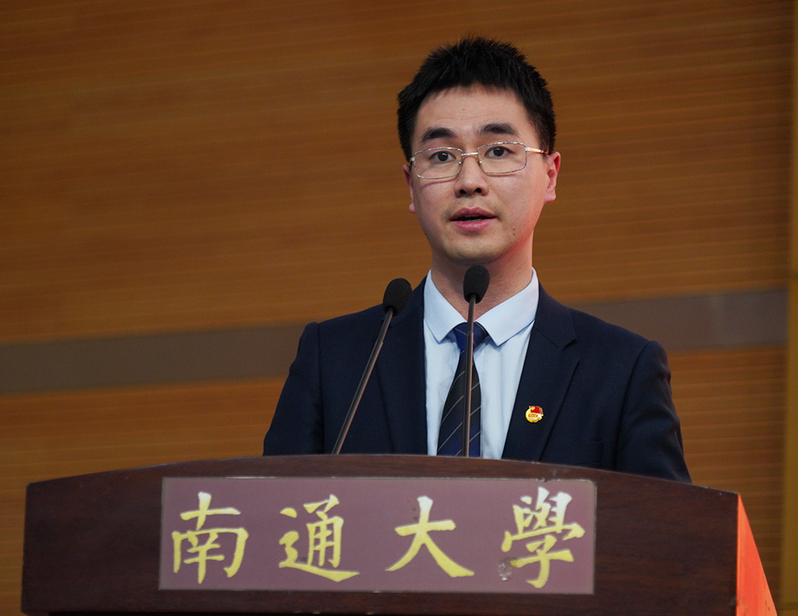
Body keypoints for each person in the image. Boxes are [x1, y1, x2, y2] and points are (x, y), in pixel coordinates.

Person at [263, 36, 690, 482]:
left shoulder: (622, 369)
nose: (469, 180)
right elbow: (272, 514)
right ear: (411, 185)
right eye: (441, 156)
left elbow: (663, 524)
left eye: (498, 151)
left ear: (550, 175)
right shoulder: (336, 359)